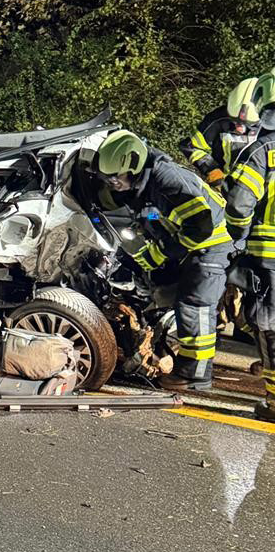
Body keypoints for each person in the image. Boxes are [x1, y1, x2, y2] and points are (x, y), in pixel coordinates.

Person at [94, 130, 232, 391]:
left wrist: (158, 253)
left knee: (195, 306)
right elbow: (159, 215)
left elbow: (200, 226)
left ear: (133, 166)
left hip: (211, 245)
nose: (112, 183)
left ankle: (195, 376)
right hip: (194, 247)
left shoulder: (166, 180)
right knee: (185, 305)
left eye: (114, 177)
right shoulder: (147, 184)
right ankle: (187, 367)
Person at [224, 81, 275, 422]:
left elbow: (240, 205)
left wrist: (238, 238)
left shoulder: (265, 151)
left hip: (270, 258)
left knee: (271, 328)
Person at [181, 76, 263, 189]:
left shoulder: (270, 124)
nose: (239, 128)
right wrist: (212, 170)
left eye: (246, 124)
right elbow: (191, 147)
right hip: (226, 187)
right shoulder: (217, 120)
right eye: (234, 121)